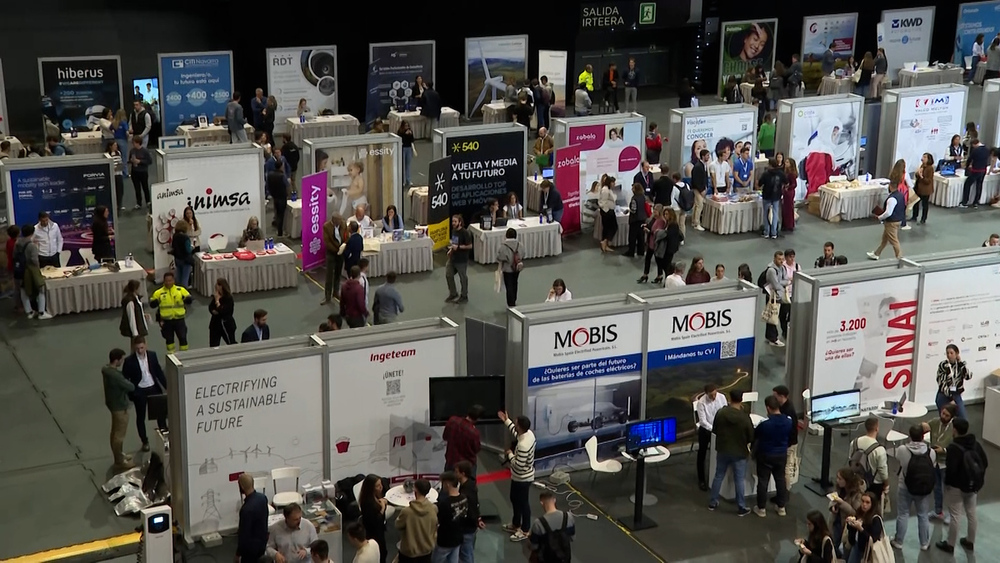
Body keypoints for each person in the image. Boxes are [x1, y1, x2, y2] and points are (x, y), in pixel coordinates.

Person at [937, 417, 988, 554]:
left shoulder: (954, 448)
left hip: (956, 487)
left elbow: (951, 470)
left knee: (955, 515)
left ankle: (950, 544)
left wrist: (947, 484)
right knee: (971, 513)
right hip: (972, 485)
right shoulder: (975, 444)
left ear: (955, 429)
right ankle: (970, 541)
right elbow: (985, 462)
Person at [708, 391, 754, 516]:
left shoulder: (721, 413)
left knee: (718, 476)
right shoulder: (744, 417)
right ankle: (741, 507)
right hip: (739, 453)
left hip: (723, 450)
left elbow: (715, 430)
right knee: (739, 480)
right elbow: (751, 437)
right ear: (741, 400)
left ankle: (713, 502)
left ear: (729, 398)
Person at [892, 424, 936, 550]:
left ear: (909, 436)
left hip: (905, 487)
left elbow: (899, 461)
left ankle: (898, 541)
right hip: (923, 488)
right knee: (923, 515)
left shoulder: (902, 450)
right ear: (923, 437)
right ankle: (924, 543)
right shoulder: (931, 452)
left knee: (903, 514)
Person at [122, 337, 167, 450]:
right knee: (140, 417)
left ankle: (164, 434)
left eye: (142, 348)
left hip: (153, 388)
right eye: (137, 348)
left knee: (160, 414)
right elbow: (125, 379)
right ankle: (144, 441)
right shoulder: (129, 361)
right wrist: (131, 394)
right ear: (134, 348)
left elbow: (158, 372)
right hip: (140, 391)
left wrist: (167, 386)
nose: (140, 351)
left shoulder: (152, 355)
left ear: (146, 345)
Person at [499, 410, 536, 541]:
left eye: (515, 423)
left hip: (522, 478)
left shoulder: (523, 445)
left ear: (520, 426)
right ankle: (516, 524)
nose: (514, 425)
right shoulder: (528, 434)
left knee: (523, 503)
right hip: (519, 477)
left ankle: (525, 529)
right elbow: (516, 433)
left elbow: (518, 465)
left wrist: (509, 454)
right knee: (515, 499)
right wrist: (506, 421)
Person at [752, 395, 791, 518]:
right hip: (781, 454)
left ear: (768, 408)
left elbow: (756, 434)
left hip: (766, 455)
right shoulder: (789, 420)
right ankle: (781, 507)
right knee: (780, 480)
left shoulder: (764, 424)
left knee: (763, 481)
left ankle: (761, 508)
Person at [102, 348, 135, 470]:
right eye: (121, 359)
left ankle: (119, 455)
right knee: (119, 435)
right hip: (120, 407)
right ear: (116, 360)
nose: (122, 361)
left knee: (114, 432)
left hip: (113, 404)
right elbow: (130, 387)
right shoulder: (116, 376)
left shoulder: (107, 371)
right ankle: (119, 461)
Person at [926, 404, 957, 522]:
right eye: (942, 413)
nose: (943, 416)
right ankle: (938, 511)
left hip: (947, 463)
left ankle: (951, 514)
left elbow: (956, 448)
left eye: (946, 415)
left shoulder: (954, 428)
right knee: (937, 488)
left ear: (952, 417)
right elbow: (926, 426)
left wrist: (944, 450)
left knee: (949, 490)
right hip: (935, 462)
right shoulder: (935, 422)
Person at [848, 417, 889, 506]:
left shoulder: (854, 442)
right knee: (871, 507)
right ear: (877, 428)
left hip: (856, 480)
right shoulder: (879, 450)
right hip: (874, 484)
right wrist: (886, 484)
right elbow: (882, 471)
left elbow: (850, 459)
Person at [149, 271, 193, 353]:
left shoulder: (180, 290)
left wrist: (187, 299)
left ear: (173, 280)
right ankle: (172, 356)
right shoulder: (158, 293)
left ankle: (184, 355)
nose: (168, 282)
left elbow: (189, 299)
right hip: (166, 321)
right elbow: (152, 304)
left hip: (179, 319)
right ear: (164, 281)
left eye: (170, 280)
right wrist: (155, 302)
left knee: (183, 338)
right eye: (167, 281)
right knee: (169, 340)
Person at [866, 170, 905, 260]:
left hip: (891, 222)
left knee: (894, 241)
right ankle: (877, 253)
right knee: (885, 239)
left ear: (891, 186)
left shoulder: (891, 199)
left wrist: (879, 217)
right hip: (898, 219)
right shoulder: (900, 195)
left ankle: (900, 258)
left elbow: (888, 212)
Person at [14, 224, 52, 319]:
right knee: (40, 289)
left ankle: (29, 312)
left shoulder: (17, 243)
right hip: (31, 270)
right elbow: (35, 260)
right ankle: (42, 313)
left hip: (20, 270)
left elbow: (14, 256)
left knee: (23, 289)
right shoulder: (32, 246)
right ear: (32, 232)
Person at [396, 479, 438, 563]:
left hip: (409, 553)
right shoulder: (433, 508)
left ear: (415, 490)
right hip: (426, 551)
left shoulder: (407, 512)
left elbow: (398, 525)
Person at [696, 384, 728, 491]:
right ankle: (701, 480)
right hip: (706, 429)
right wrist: (713, 429)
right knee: (702, 453)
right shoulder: (701, 402)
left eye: (715, 394)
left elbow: (725, 411)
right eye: (711, 396)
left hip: (719, 428)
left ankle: (717, 476)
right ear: (706, 394)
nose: (714, 397)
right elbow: (703, 421)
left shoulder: (721, 397)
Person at [529, 490, 575, 563]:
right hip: (564, 558)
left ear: (541, 503)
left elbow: (534, 546)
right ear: (554, 500)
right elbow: (572, 537)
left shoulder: (538, 523)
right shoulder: (568, 517)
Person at [828, 468, 865, 559]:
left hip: (846, 524)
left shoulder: (857, 494)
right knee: (833, 542)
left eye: (840, 479)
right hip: (835, 519)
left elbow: (855, 512)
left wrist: (841, 503)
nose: (837, 480)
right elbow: (834, 497)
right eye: (837, 477)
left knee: (845, 546)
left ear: (847, 481)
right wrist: (832, 506)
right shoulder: (839, 487)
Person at [433, 471, 468, 563]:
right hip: (458, 538)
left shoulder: (444, 504)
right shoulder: (464, 498)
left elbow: (438, 521)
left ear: (447, 484)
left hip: (445, 541)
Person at [771, 386, 799, 497]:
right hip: (787, 442)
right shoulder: (783, 407)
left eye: (775, 396)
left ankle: (784, 493)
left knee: (787, 468)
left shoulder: (788, 411)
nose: (773, 398)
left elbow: (791, 430)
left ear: (781, 396)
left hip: (789, 444)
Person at [236, 473, 270, 563]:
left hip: (250, 551)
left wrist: (238, 554)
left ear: (242, 487)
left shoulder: (246, 510)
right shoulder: (263, 498)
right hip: (263, 543)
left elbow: (244, 535)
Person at [454, 461, 483, 563]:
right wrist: (478, 518)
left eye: (457, 472)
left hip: (466, 529)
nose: (455, 474)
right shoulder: (470, 485)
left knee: (466, 555)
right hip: (471, 526)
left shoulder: (465, 493)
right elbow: (476, 504)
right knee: (468, 552)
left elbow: (470, 509)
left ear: (463, 473)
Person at [845, 492, 885, 563]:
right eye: (862, 501)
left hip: (868, 550)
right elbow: (852, 530)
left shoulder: (875, 519)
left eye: (867, 502)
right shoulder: (859, 512)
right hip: (857, 544)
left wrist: (861, 529)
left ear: (872, 504)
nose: (864, 504)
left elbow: (873, 539)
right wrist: (850, 523)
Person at [358, 474, 389, 563]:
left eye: (381, 484)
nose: (381, 487)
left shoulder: (374, 496)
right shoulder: (367, 503)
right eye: (378, 486)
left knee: (383, 552)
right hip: (374, 533)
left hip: (379, 531)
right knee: (381, 553)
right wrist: (382, 508)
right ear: (371, 488)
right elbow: (375, 522)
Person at [936, 344, 972, 420]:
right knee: (945, 419)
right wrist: (951, 398)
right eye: (947, 353)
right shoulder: (943, 365)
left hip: (956, 395)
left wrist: (961, 363)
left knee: (963, 419)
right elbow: (941, 382)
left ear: (957, 354)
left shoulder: (960, 365)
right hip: (944, 395)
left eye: (951, 353)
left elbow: (968, 376)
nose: (949, 355)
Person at [443, 405, 483, 473]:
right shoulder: (474, 433)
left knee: (449, 482)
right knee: (469, 483)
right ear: (478, 419)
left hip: (451, 462)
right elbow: (476, 449)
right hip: (467, 466)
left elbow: (445, 437)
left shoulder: (452, 420)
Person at [763, 251, 789, 346]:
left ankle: (769, 336)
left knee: (774, 316)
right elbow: (776, 284)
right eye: (779, 259)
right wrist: (783, 283)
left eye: (782, 259)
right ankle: (773, 338)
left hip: (779, 296)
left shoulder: (783, 268)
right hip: (773, 297)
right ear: (774, 259)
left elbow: (786, 280)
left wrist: (782, 282)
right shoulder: (771, 270)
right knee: (772, 317)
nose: (781, 261)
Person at [445, 215, 472, 304]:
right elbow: (454, 243)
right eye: (452, 221)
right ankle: (453, 293)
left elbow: (470, 246)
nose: (453, 223)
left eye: (455, 221)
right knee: (449, 274)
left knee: (463, 278)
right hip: (453, 258)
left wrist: (459, 247)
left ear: (460, 222)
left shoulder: (465, 233)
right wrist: (451, 249)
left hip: (461, 259)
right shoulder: (453, 231)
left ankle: (464, 296)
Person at [495, 228, 524, 308]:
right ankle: (514, 299)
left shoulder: (504, 246)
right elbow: (523, 253)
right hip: (517, 268)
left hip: (507, 269)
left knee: (509, 286)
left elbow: (499, 257)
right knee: (515, 283)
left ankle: (511, 303)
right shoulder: (520, 244)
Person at [322, 214, 347, 304]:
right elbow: (327, 242)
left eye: (341, 220)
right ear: (334, 220)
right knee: (329, 275)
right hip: (331, 253)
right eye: (339, 221)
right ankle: (327, 296)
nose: (340, 222)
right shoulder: (326, 226)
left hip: (341, 252)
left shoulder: (343, 224)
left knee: (338, 273)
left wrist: (343, 246)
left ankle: (336, 292)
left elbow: (346, 236)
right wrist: (338, 249)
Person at [758, 158, 786, 239]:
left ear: (770, 165)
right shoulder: (781, 174)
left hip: (767, 196)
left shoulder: (765, 174)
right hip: (776, 196)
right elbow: (786, 182)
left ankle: (767, 232)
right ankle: (774, 233)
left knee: (766, 214)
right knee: (775, 214)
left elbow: (760, 184)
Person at [208, 278, 237, 346]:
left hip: (226, 325)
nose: (216, 286)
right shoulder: (215, 296)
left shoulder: (228, 298)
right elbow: (211, 307)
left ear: (222, 286)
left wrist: (217, 301)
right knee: (213, 345)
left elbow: (223, 311)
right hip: (215, 324)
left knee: (231, 343)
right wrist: (215, 311)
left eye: (218, 284)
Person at [963, 138, 989, 207]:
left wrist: (967, 166)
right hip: (983, 170)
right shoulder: (986, 149)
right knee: (979, 186)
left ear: (974, 144)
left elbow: (970, 159)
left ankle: (965, 201)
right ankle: (976, 202)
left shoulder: (975, 150)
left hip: (976, 170)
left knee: (967, 184)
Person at [624, 184, 648, 257]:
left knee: (632, 237)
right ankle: (641, 251)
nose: (632, 189)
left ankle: (631, 252)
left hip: (635, 220)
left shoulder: (634, 198)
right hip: (642, 219)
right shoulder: (643, 197)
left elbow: (634, 210)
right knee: (641, 236)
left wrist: (628, 210)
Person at [129, 136, 153, 208]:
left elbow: (149, 161)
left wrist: (140, 161)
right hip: (134, 172)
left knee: (145, 187)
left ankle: (148, 201)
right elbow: (129, 159)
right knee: (137, 188)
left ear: (138, 143)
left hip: (143, 172)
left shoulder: (145, 151)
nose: (133, 144)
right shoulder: (132, 151)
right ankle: (138, 203)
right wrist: (131, 161)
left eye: (134, 143)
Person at [170, 219, 194, 288]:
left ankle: (178, 292)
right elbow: (188, 250)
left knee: (179, 276)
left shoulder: (175, 236)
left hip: (177, 258)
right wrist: (192, 247)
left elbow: (173, 246)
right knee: (185, 278)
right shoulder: (185, 237)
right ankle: (184, 293)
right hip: (185, 259)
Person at [690, 149, 710, 231]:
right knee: (699, 205)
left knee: (696, 205)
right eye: (707, 155)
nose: (708, 157)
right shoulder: (698, 166)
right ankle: (697, 223)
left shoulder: (703, 165)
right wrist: (701, 190)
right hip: (698, 189)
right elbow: (696, 180)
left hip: (701, 188)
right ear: (703, 156)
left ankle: (693, 221)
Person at [912, 153, 934, 224]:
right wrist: (917, 173)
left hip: (925, 190)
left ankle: (923, 219)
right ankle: (914, 216)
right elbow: (918, 176)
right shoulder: (922, 166)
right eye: (923, 157)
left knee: (925, 204)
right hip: (918, 188)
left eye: (925, 157)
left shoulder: (930, 168)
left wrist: (921, 176)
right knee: (915, 202)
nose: (923, 158)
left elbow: (928, 181)